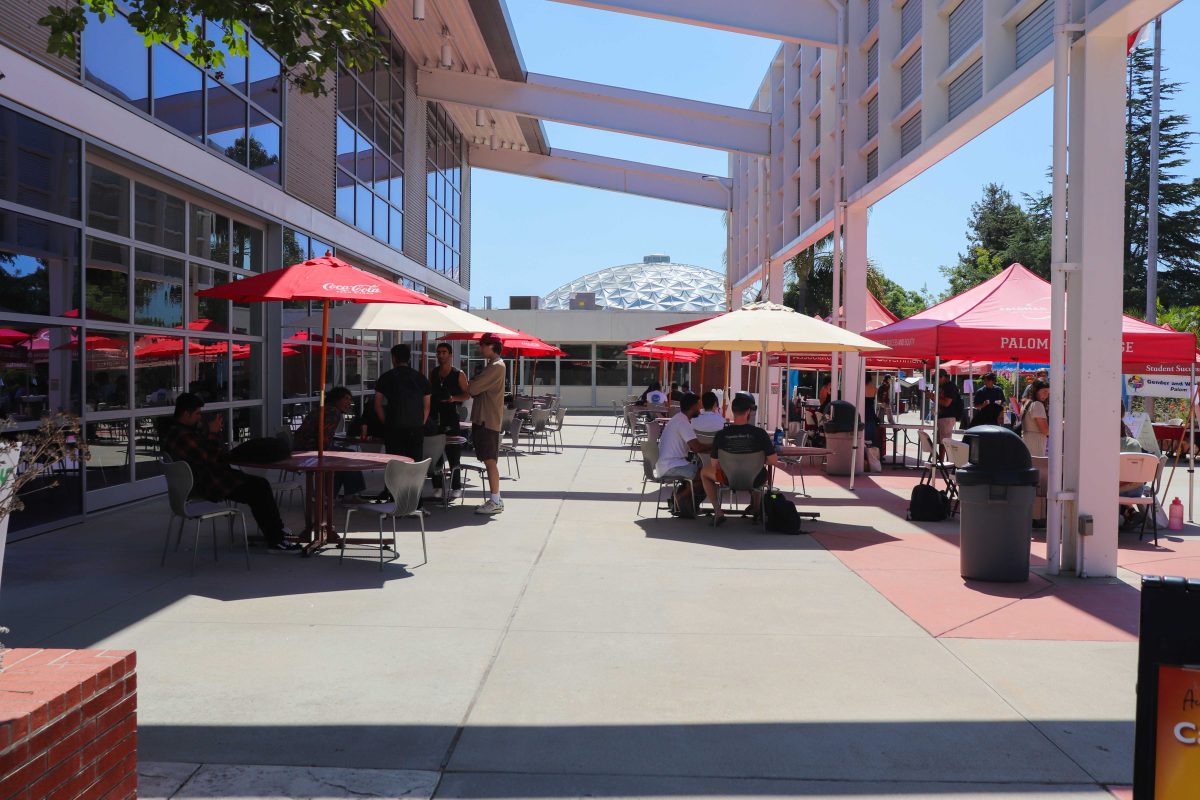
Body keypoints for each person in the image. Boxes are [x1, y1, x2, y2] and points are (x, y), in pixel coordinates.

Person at [161, 393, 298, 550]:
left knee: (259, 485)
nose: (199, 418)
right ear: (186, 413)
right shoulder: (182, 436)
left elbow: (207, 452)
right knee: (259, 490)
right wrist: (212, 433)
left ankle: (277, 531)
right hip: (208, 484)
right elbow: (209, 457)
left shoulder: (177, 432)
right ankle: (276, 538)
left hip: (206, 479)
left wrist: (211, 434)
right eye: (197, 413)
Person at [700, 393, 779, 526]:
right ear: (748, 411)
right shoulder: (760, 434)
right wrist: (758, 462)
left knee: (703, 472)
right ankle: (756, 509)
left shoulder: (721, 434)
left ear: (733, 411)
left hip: (727, 478)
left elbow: (714, 463)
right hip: (755, 478)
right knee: (761, 470)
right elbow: (773, 461)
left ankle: (718, 512)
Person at [455, 332, 506, 515]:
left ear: (492, 346)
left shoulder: (496, 366)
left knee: (490, 461)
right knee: (488, 460)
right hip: (484, 419)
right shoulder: (492, 365)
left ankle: (495, 500)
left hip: (487, 421)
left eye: (482, 344)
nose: (480, 348)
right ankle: (495, 499)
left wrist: (468, 382)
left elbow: (473, 388)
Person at [293, 386, 366, 501]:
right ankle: (349, 496)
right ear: (336, 399)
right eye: (346, 398)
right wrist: (330, 454)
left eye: (350, 399)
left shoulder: (324, 409)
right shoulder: (333, 412)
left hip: (302, 448)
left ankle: (329, 495)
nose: (350, 402)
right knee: (350, 456)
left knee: (343, 456)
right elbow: (324, 438)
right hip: (310, 451)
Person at [654, 392, 709, 517]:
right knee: (704, 475)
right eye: (698, 405)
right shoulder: (683, 423)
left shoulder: (678, 419)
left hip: (667, 464)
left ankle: (685, 503)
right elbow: (696, 447)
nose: (700, 408)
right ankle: (679, 498)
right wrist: (714, 446)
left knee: (701, 472)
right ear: (692, 406)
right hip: (671, 466)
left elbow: (693, 447)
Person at [374, 343, 431, 463]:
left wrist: (387, 422)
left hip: (393, 427)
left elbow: (377, 404)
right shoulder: (421, 378)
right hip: (415, 427)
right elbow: (427, 406)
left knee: (395, 465)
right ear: (409, 358)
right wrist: (421, 423)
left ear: (393, 358)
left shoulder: (386, 377)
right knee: (414, 465)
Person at [429, 342, 469, 500]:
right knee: (435, 454)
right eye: (438, 352)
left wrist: (454, 399)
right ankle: (438, 486)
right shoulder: (434, 373)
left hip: (451, 416)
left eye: (444, 352)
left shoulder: (458, 373)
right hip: (435, 417)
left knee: (453, 453)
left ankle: (456, 486)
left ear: (450, 355)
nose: (441, 355)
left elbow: (467, 394)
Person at [925, 369, 963, 458]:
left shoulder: (950, 387)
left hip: (948, 417)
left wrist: (933, 397)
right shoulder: (944, 386)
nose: (935, 381)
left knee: (944, 441)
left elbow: (946, 403)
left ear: (943, 377)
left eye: (936, 379)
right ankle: (941, 461)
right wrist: (933, 397)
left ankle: (943, 462)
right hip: (942, 416)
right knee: (941, 441)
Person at [1020, 380, 1049, 457]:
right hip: (1036, 443)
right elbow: (1045, 430)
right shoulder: (1037, 405)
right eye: (1044, 391)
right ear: (1036, 391)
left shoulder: (1026, 403)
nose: (1046, 395)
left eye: (1048, 393)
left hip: (1027, 441)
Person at [864, 375, 878, 444]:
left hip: (863, 410)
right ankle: (872, 448)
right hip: (871, 411)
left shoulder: (862, 388)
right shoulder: (874, 388)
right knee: (871, 431)